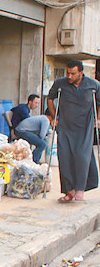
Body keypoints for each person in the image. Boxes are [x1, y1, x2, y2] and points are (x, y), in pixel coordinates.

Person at [47, 60, 100, 203]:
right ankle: (70, 191)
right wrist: (54, 117)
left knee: (82, 157)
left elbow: (99, 103)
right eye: (68, 73)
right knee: (65, 158)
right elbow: (50, 99)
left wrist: (98, 119)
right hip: (65, 126)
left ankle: (80, 190)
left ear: (81, 73)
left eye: (73, 73)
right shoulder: (60, 84)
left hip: (85, 127)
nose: (69, 76)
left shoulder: (93, 85)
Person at [10, 94, 49, 164]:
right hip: (21, 131)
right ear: (30, 102)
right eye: (36, 103)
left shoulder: (23, 107)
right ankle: (33, 161)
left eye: (38, 103)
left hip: (23, 129)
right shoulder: (24, 111)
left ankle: (36, 158)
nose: (37, 105)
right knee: (42, 144)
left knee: (44, 140)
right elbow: (41, 135)